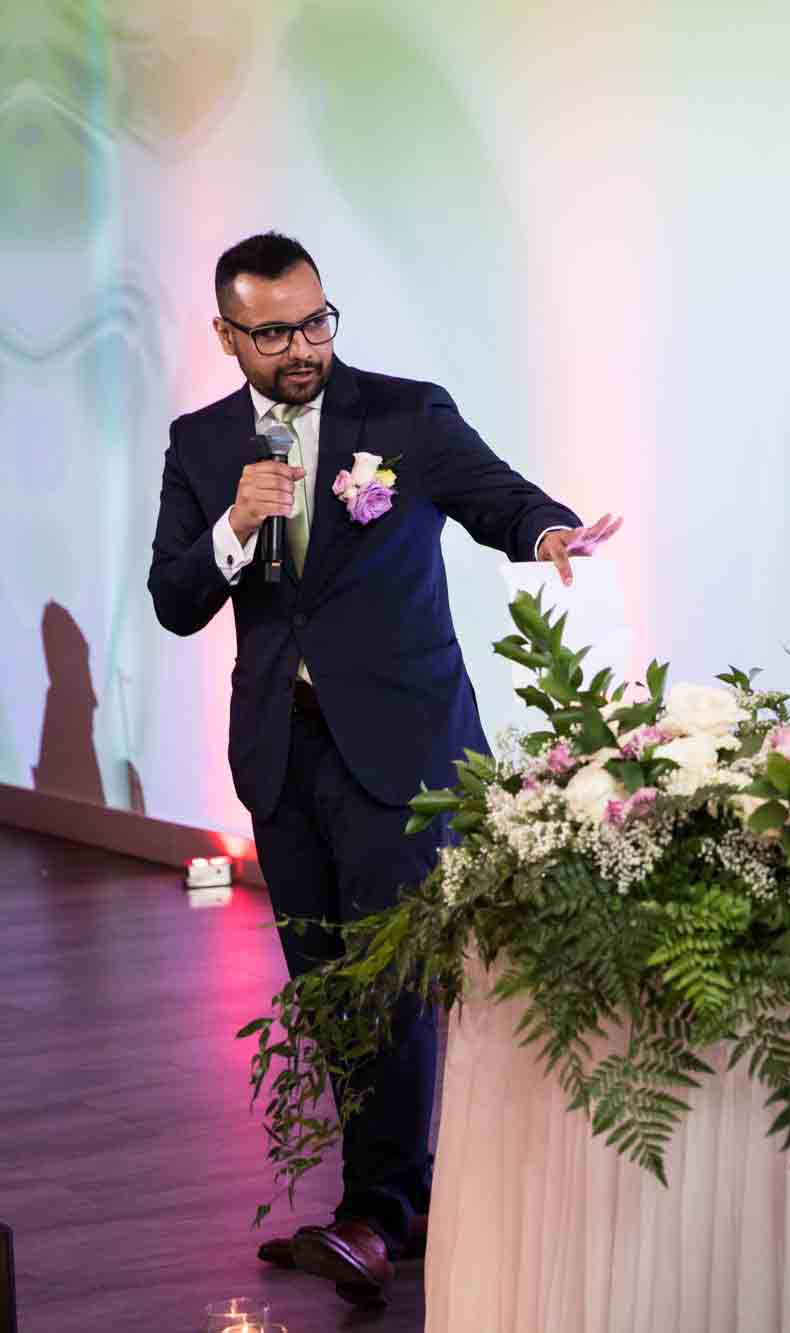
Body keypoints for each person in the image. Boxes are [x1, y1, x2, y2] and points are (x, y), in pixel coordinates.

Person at [147, 232, 607, 1306]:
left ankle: (374, 1211)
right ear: (229, 335)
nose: (302, 346)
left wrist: (549, 535)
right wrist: (234, 525)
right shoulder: (202, 444)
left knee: (396, 981)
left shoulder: (401, 415)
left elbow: (498, 497)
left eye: (316, 321)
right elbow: (176, 601)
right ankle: (405, 1193)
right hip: (281, 751)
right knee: (326, 987)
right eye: (274, 332)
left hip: (402, 745)